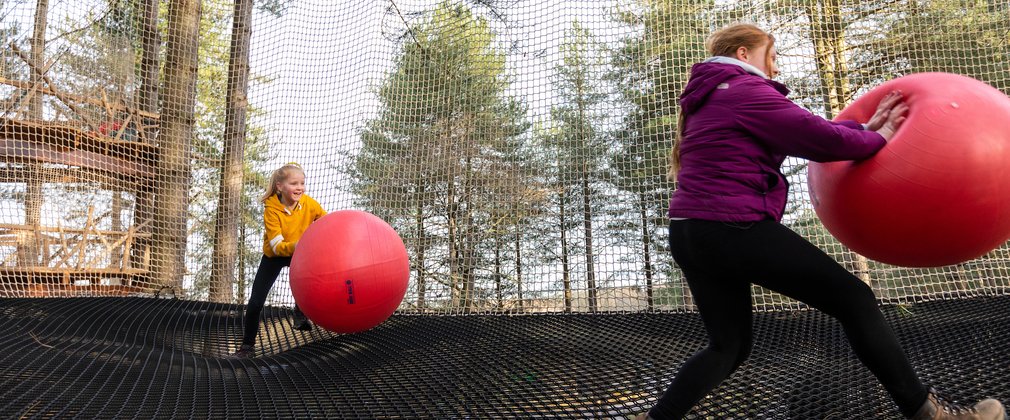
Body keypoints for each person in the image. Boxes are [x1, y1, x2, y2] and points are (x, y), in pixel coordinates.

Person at [634, 24, 1006, 420]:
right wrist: (882, 136)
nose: (775, 68)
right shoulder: (745, 89)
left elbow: (814, 131)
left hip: (691, 231)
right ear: (744, 54)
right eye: (771, 56)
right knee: (854, 300)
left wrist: (865, 128)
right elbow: (819, 139)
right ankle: (927, 413)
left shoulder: (710, 97)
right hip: (732, 228)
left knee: (728, 346)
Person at [231, 162, 327, 358]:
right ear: (280, 186)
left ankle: (300, 312)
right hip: (274, 256)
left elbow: (326, 222)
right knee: (256, 301)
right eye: (294, 183)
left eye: (302, 183)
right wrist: (301, 244)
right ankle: (247, 347)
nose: (299, 188)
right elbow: (276, 246)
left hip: (299, 254)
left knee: (314, 277)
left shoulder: (309, 204)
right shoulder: (271, 209)